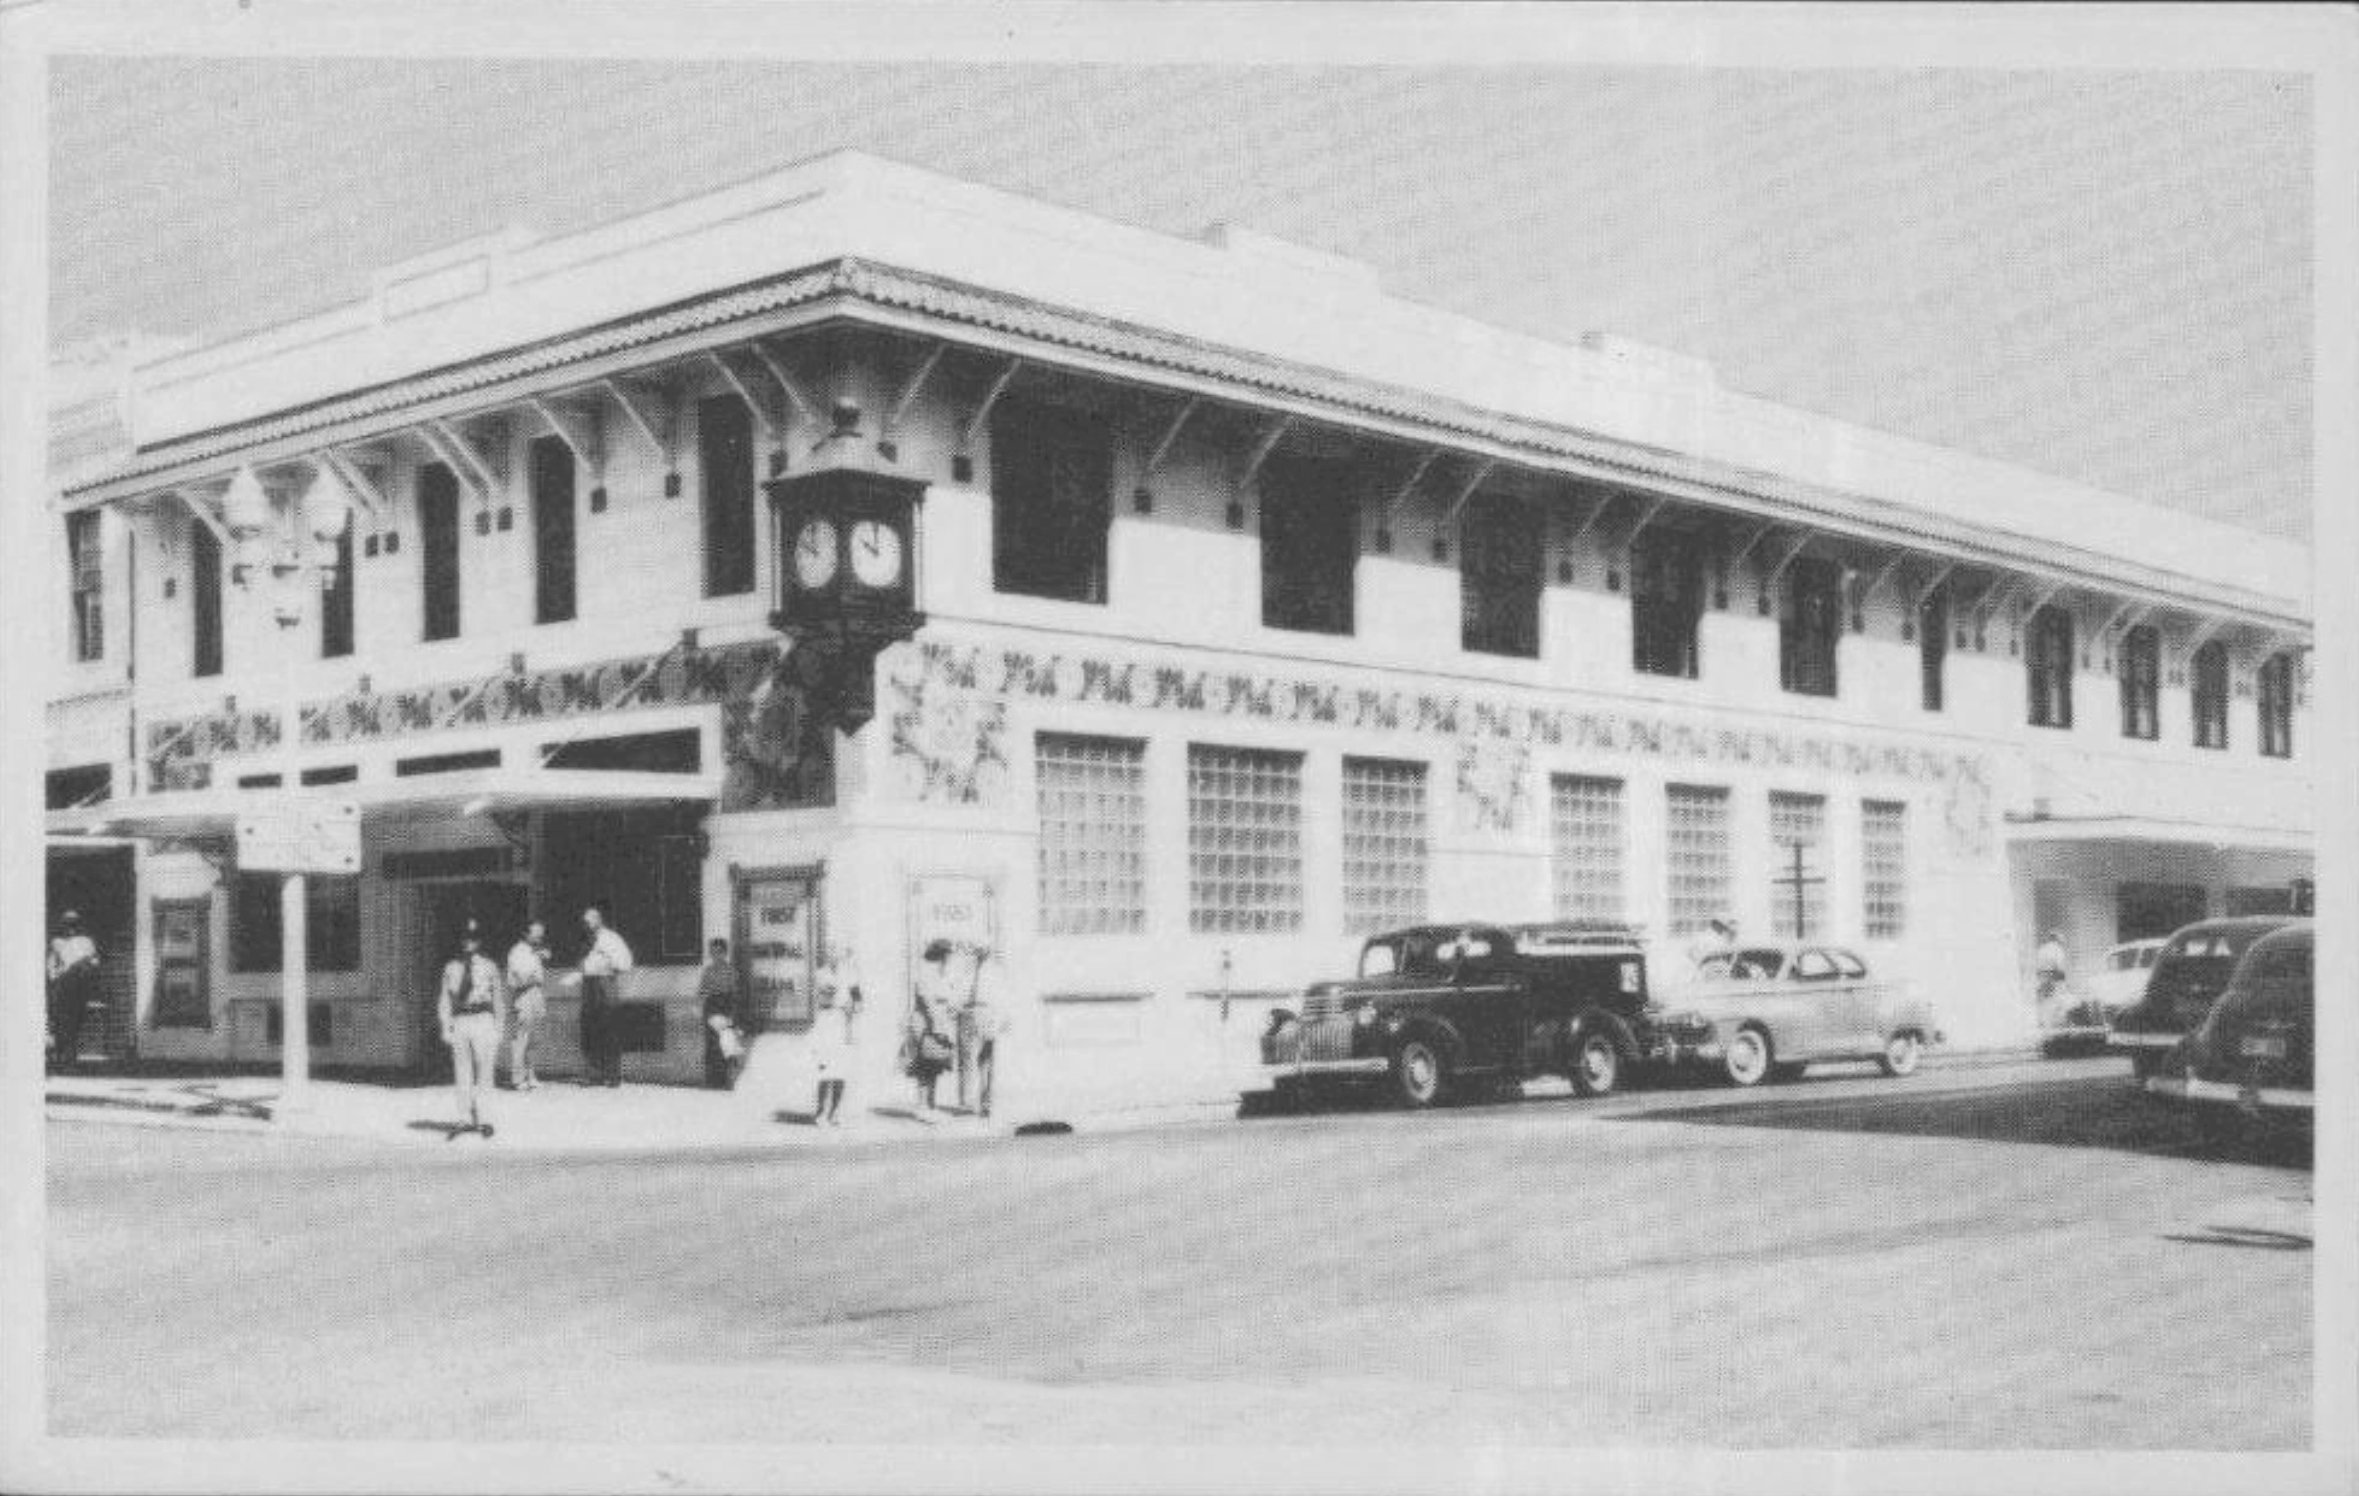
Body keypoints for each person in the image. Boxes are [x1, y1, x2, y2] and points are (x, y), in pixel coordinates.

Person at [437, 920, 507, 1138]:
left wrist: (499, 1028)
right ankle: (463, 1117)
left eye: (473, 939)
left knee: (484, 1070)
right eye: (465, 938)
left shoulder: (489, 966)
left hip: (482, 1019)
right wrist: (445, 1026)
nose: (468, 943)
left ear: (480, 941)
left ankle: (485, 1118)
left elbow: (498, 999)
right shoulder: (451, 967)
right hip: (461, 1020)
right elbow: (445, 999)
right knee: (462, 1070)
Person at [576, 904, 635, 1087]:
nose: (586, 925)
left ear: (599, 920)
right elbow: (582, 963)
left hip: (605, 984)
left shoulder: (611, 938)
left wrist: (608, 964)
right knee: (589, 1029)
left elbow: (625, 962)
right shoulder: (586, 940)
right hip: (589, 985)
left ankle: (613, 1075)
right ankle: (594, 1074)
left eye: (590, 921)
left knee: (609, 1028)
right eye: (584, 922)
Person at [904, 939, 959, 1116]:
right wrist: (936, 1019)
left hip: (941, 1020)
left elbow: (950, 994)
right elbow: (926, 998)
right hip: (925, 1021)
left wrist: (952, 1007)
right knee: (924, 1063)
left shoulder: (945, 973)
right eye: (948, 954)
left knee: (936, 1063)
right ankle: (922, 1106)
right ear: (940, 954)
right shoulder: (925, 971)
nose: (950, 957)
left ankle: (931, 1105)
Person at [812, 945, 863, 1126]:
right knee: (826, 1069)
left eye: (836, 952)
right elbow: (823, 1000)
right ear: (826, 955)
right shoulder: (821, 974)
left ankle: (835, 1112)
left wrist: (854, 1007)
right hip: (827, 1024)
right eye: (830, 952)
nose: (833, 955)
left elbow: (858, 999)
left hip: (844, 1025)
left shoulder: (850, 974)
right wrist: (838, 1002)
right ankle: (820, 1112)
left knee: (841, 1071)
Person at [957, 944, 1009, 1120]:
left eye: (983, 950)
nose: (979, 953)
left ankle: (986, 1103)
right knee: (967, 1060)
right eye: (977, 950)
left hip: (988, 1014)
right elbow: (958, 990)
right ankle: (968, 1103)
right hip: (968, 1013)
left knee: (986, 1061)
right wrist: (958, 1009)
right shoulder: (967, 969)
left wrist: (1002, 1018)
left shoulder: (995, 970)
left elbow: (1002, 995)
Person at [46, 910, 101, 1073]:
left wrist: (88, 965)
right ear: (63, 926)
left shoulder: (86, 942)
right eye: (67, 924)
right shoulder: (57, 942)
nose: (70, 928)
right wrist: (55, 976)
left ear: (78, 925)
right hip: (63, 987)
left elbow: (95, 961)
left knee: (75, 1023)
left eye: (74, 924)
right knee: (62, 1024)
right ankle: (64, 1061)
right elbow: (51, 965)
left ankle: (70, 1060)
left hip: (80, 987)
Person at [504, 919, 552, 1091]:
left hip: (536, 993)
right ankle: (518, 1078)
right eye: (535, 932)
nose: (539, 936)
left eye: (541, 932)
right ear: (526, 934)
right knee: (521, 1037)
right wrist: (533, 977)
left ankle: (531, 1075)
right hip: (523, 995)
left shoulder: (536, 952)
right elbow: (517, 978)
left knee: (535, 1037)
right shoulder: (517, 952)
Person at [698, 938, 747, 1090]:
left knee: (725, 1043)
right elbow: (702, 991)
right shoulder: (708, 971)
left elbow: (735, 993)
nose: (715, 955)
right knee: (711, 1044)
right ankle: (711, 1079)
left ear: (725, 953)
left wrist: (732, 1014)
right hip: (711, 1007)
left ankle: (724, 1080)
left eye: (719, 952)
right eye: (712, 952)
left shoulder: (730, 971)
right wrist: (705, 995)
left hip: (725, 1006)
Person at [2035, 930, 2073, 1030]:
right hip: (2053, 977)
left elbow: (2037, 966)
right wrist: (2065, 983)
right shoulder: (2057, 950)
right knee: (2056, 1002)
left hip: (2041, 978)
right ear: (2058, 940)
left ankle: (2042, 1024)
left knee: (2044, 1002)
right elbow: (2060, 967)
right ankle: (2055, 1026)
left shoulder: (2042, 949)